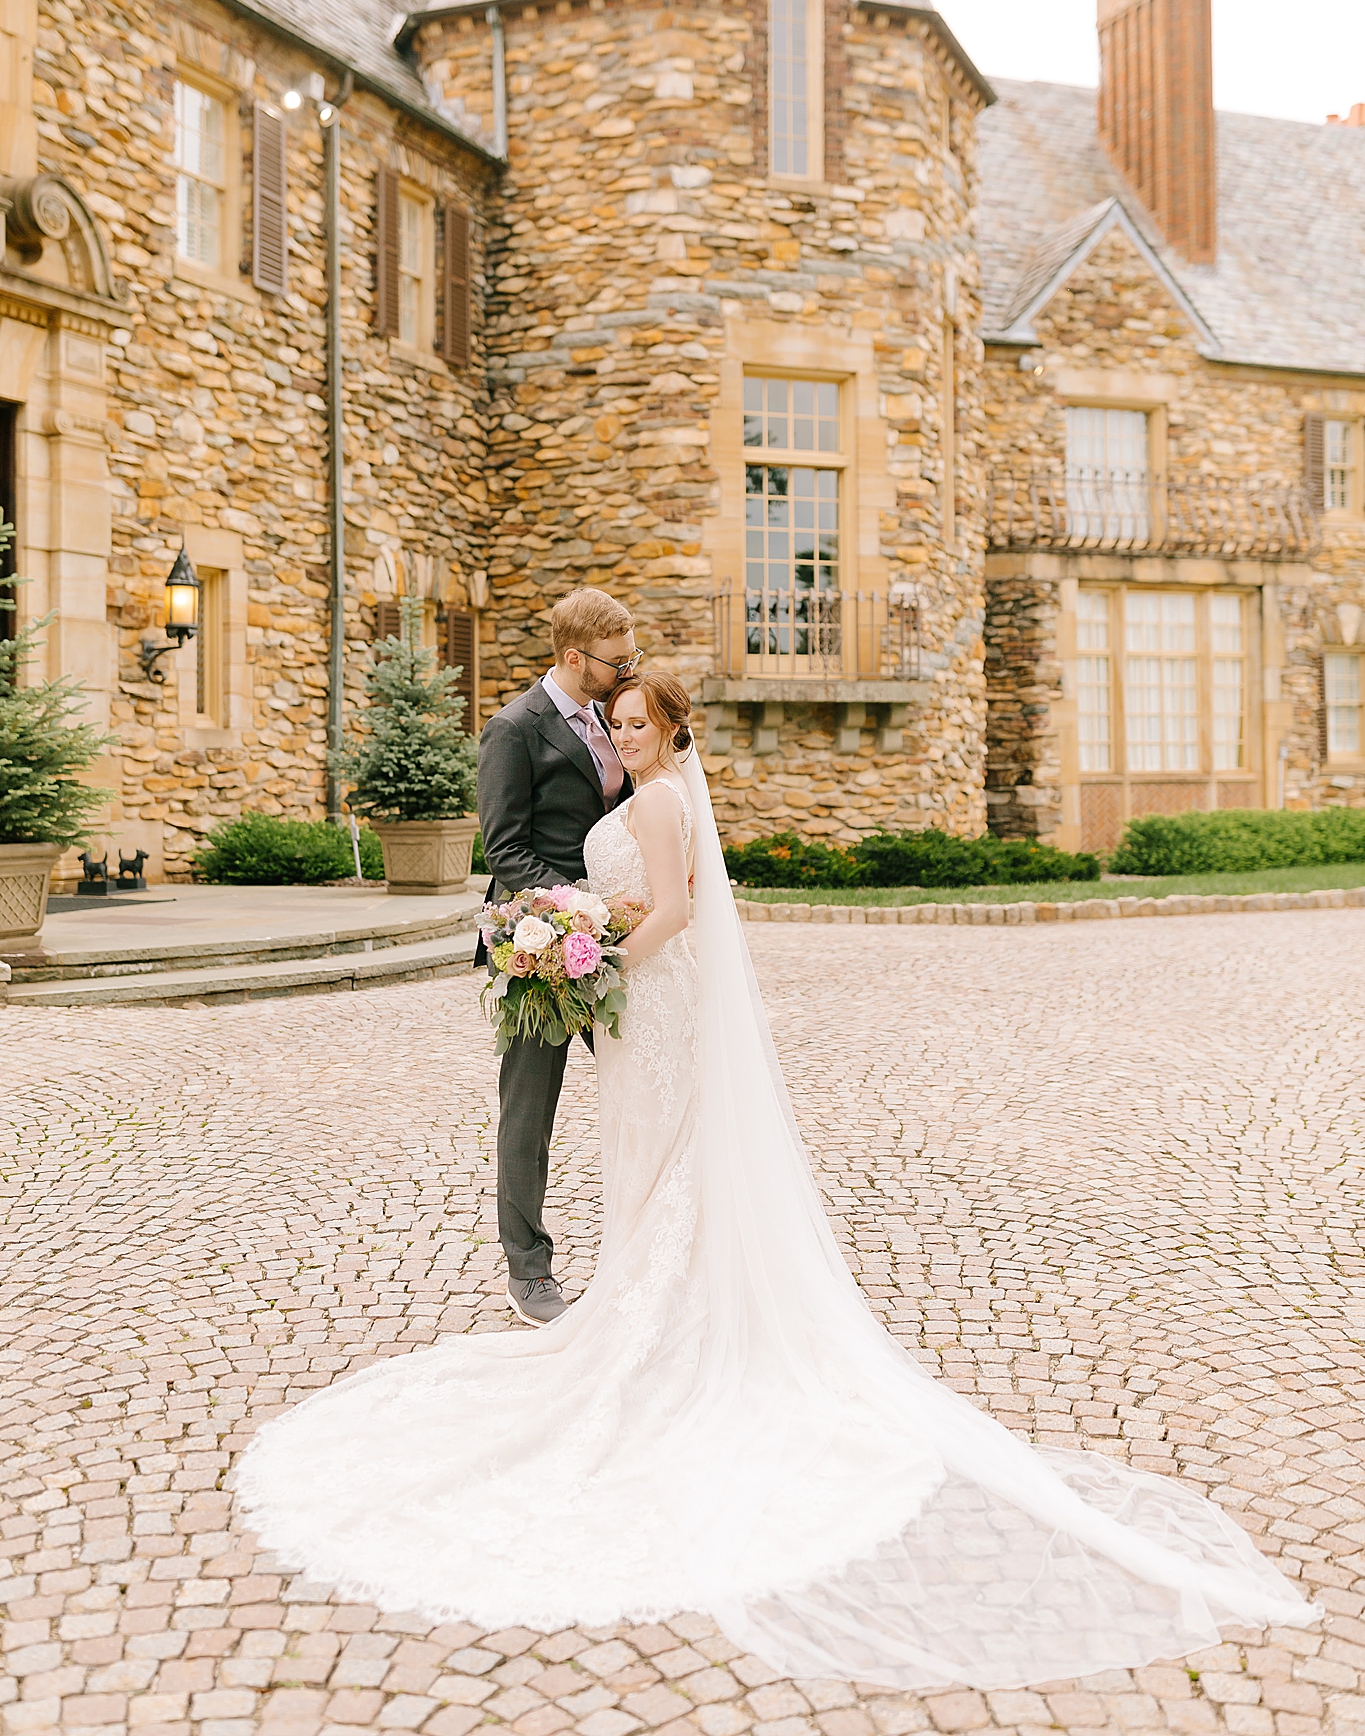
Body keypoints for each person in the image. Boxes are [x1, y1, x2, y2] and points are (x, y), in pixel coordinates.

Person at [236, 672, 1318, 1688]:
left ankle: (671, 1318)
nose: (621, 733)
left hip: (652, 1002)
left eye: (637, 721)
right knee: (649, 1161)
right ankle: (648, 1297)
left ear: (672, 729)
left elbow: (674, 912)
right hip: (639, 1009)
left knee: (665, 1160)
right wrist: (580, 931)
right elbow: (638, 904)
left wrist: (594, 954)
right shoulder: (644, 791)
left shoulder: (658, 803)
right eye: (612, 719)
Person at [473, 586, 636, 1324]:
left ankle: (645, 1249)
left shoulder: (617, 718)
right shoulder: (514, 728)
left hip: (623, 943)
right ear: (574, 658)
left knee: (643, 1091)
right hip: (538, 947)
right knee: (529, 1110)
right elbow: (505, 849)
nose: (627, 670)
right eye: (615, 661)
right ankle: (527, 1269)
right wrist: (580, 909)